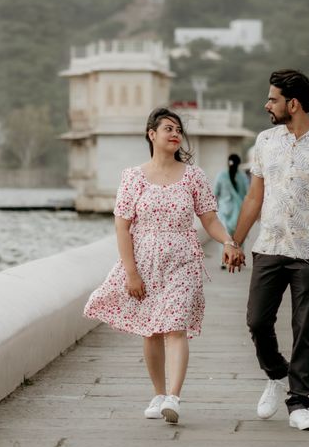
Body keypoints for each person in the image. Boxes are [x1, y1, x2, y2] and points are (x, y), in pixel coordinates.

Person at [84, 107, 240, 425]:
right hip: (145, 261)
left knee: (175, 325)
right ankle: (158, 393)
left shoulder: (194, 176)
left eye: (178, 129)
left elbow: (209, 218)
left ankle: (174, 397)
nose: (175, 134)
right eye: (168, 128)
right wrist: (131, 272)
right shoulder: (134, 177)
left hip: (183, 259)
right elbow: (122, 226)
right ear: (151, 134)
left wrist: (228, 241)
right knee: (151, 331)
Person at [228, 70, 309, 432]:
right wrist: (235, 242)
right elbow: (254, 197)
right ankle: (276, 374)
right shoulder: (265, 141)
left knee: (305, 327)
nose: (266, 105)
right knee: (257, 320)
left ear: (293, 103)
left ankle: (300, 402)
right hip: (269, 245)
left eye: (272, 99)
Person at [214, 154, 250, 269]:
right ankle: (238, 259)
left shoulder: (221, 175)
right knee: (239, 237)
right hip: (240, 211)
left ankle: (224, 260)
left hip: (225, 211)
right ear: (239, 163)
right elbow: (248, 194)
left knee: (225, 238)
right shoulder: (243, 176)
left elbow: (215, 193)